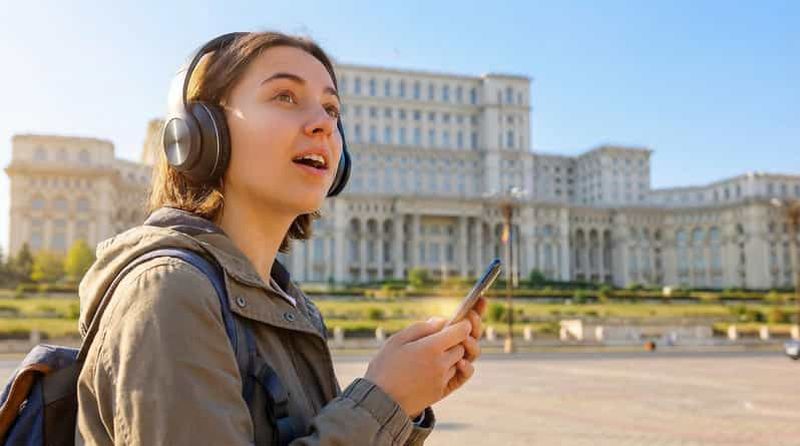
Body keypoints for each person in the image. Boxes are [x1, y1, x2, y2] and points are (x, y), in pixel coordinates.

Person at [75, 31, 486, 445]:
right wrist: (384, 399)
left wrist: (402, 406)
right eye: (285, 96)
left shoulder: (286, 304)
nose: (324, 123)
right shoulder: (169, 293)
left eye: (331, 108)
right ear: (202, 134)